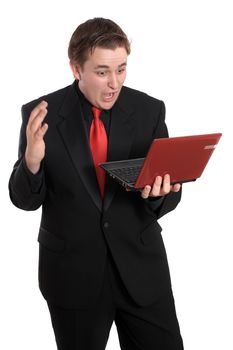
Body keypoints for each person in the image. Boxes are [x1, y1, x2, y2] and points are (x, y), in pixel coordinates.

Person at [9, 17, 184, 350]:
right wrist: (31, 161)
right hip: (72, 276)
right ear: (76, 69)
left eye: (121, 69)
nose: (113, 83)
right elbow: (25, 200)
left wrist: (159, 195)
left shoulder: (149, 111)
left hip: (141, 272)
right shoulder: (41, 114)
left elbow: (168, 196)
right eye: (102, 72)